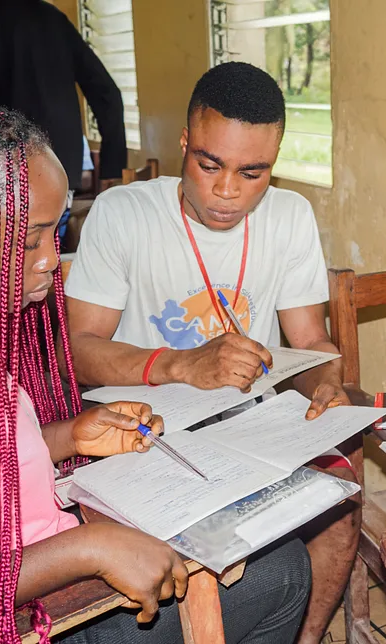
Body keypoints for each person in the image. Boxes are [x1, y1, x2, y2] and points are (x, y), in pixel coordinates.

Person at [0, 93, 310, 644]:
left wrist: (70, 436)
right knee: (284, 572)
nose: (51, 257)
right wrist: (89, 549)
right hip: (31, 620)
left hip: (22, 565)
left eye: (56, 229)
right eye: (28, 241)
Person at [64, 62, 355, 644]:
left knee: (341, 505)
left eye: (254, 173)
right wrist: (181, 364)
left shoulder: (290, 217)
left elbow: (312, 343)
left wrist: (327, 382)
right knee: (220, 557)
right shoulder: (125, 214)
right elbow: (79, 350)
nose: (228, 191)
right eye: (209, 164)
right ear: (184, 144)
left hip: (254, 423)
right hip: (146, 431)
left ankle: (304, 635)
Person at [0, 0, 126, 195]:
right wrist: (112, 165)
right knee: (54, 225)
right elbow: (107, 93)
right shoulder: (51, 16)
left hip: (10, 171)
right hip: (61, 169)